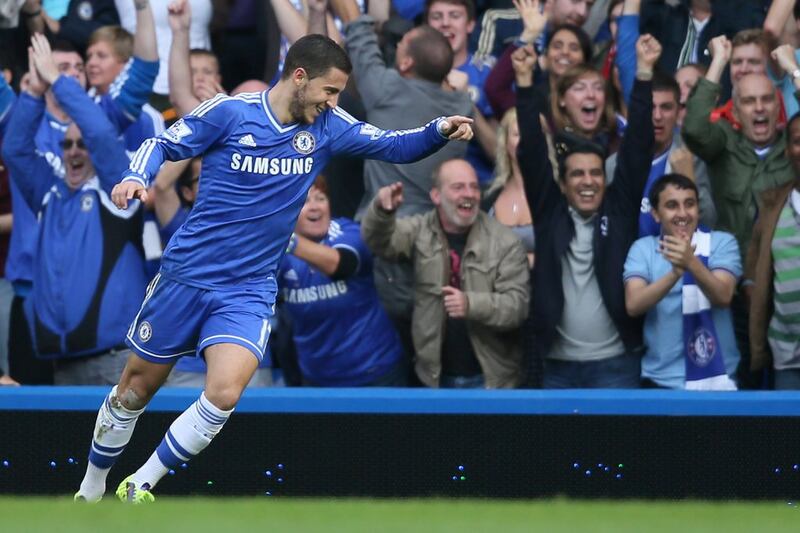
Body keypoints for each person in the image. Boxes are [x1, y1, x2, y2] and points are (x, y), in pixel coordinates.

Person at [73, 33, 472, 503]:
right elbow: (163, 144)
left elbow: (392, 145)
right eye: (329, 90)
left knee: (223, 394)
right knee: (133, 393)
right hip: (186, 276)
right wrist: (136, 176)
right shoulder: (228, 112)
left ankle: (142, 481)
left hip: (247, 288)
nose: (333, 101)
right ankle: (91, 487)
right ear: (299, 77)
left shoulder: (327, 125)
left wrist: (438, 130)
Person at [513, 34, 657, 388]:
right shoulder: (550, 214)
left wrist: (643, 75)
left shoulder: (619, 209)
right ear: (563, 184)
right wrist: (525, 83)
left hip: (616, 365)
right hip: (557, 367)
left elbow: (638, 146)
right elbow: (531, 150)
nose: (588, 181)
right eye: (577, 174)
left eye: (595, 172)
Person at [2, 34, 146, 384]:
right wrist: (35, 93)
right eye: (67, 144)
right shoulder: (48, 193)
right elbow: (16, 150)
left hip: (115, 360)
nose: (74, 151)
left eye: (82, 145)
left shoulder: (117, 190)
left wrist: (58, 80)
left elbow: (99, 132)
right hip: (62, 361)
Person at [362, 159, 529, 388]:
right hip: (434, 379)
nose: (469, 194)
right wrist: (382, 213)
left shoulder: (505, 242)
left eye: (474, 186)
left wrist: (470, 304)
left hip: (491, 380)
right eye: (458, 187)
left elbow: (517, 307)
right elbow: (380, 243)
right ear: (436, 196)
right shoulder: (420, 230)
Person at [280, 175, 406, 386]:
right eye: (304, 201)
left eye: (320, 198)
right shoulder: (277, 252)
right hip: (316, 379)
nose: (315, 207)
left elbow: (341, 265)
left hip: (376, 372)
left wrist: (282, 237)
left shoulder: (349, 232)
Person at [624, 173, 740, 390]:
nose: (683, 213)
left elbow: (723, 296)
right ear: (656, 214)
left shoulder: (722, 242)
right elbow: (634, 304)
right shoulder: (643, 249)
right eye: (671, 206)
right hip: (662, 381)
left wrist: (691, 262)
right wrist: (674, 274)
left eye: (690, 204)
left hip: (719, 379)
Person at [747, 113, 800, 390]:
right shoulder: (772, 205)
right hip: (787, 357)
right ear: (788, 149)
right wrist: (750, 284)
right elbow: (754, 263)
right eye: (797, 141)